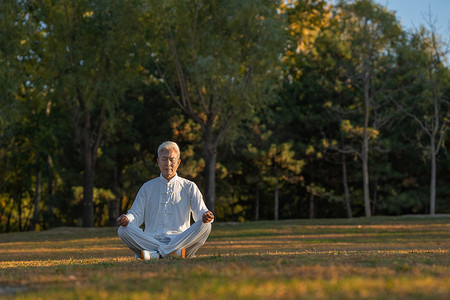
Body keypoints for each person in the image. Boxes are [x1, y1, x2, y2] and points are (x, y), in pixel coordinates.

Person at [117, 141, 214, 260]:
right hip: (151, 240)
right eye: (164, 159)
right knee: (123, 230)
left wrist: (206, 216)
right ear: (158, 162)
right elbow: (136, 214)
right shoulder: (147, 187)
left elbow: (201, 212)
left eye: (172, 159)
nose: (168, 163)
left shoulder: (189, 186)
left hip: (180, 239)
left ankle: (156, 255)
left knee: (206, 226)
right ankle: (173, 253)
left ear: (178, 162)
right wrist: (127, 219)